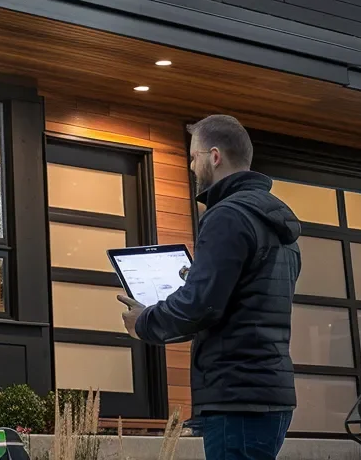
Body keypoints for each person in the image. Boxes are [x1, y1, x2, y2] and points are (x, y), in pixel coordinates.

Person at [118, 114, 301, 460]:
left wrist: (144, 323)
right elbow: (247, 299)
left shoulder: (226, 216)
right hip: (267, 390)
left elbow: (201, 305)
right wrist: (199, 277)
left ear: (214, 157)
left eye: (193, 156)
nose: (190, 166)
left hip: (236, 394)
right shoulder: (277, 223)